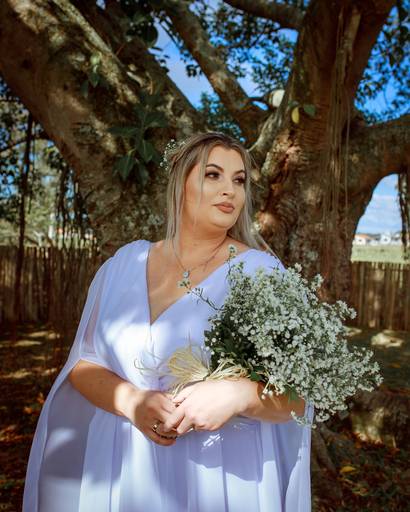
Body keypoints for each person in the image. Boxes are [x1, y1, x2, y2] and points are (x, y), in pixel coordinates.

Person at [23, 131, 314, 511]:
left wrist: (240, 394)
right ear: (180, 183)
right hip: (124, 467)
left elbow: (299, 397)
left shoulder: (264, 275)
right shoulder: (123, 265)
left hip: (221, 474)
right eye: (213, 175)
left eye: (239, 180)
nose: (230, 190)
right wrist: (131, 401)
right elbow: (84, 364)